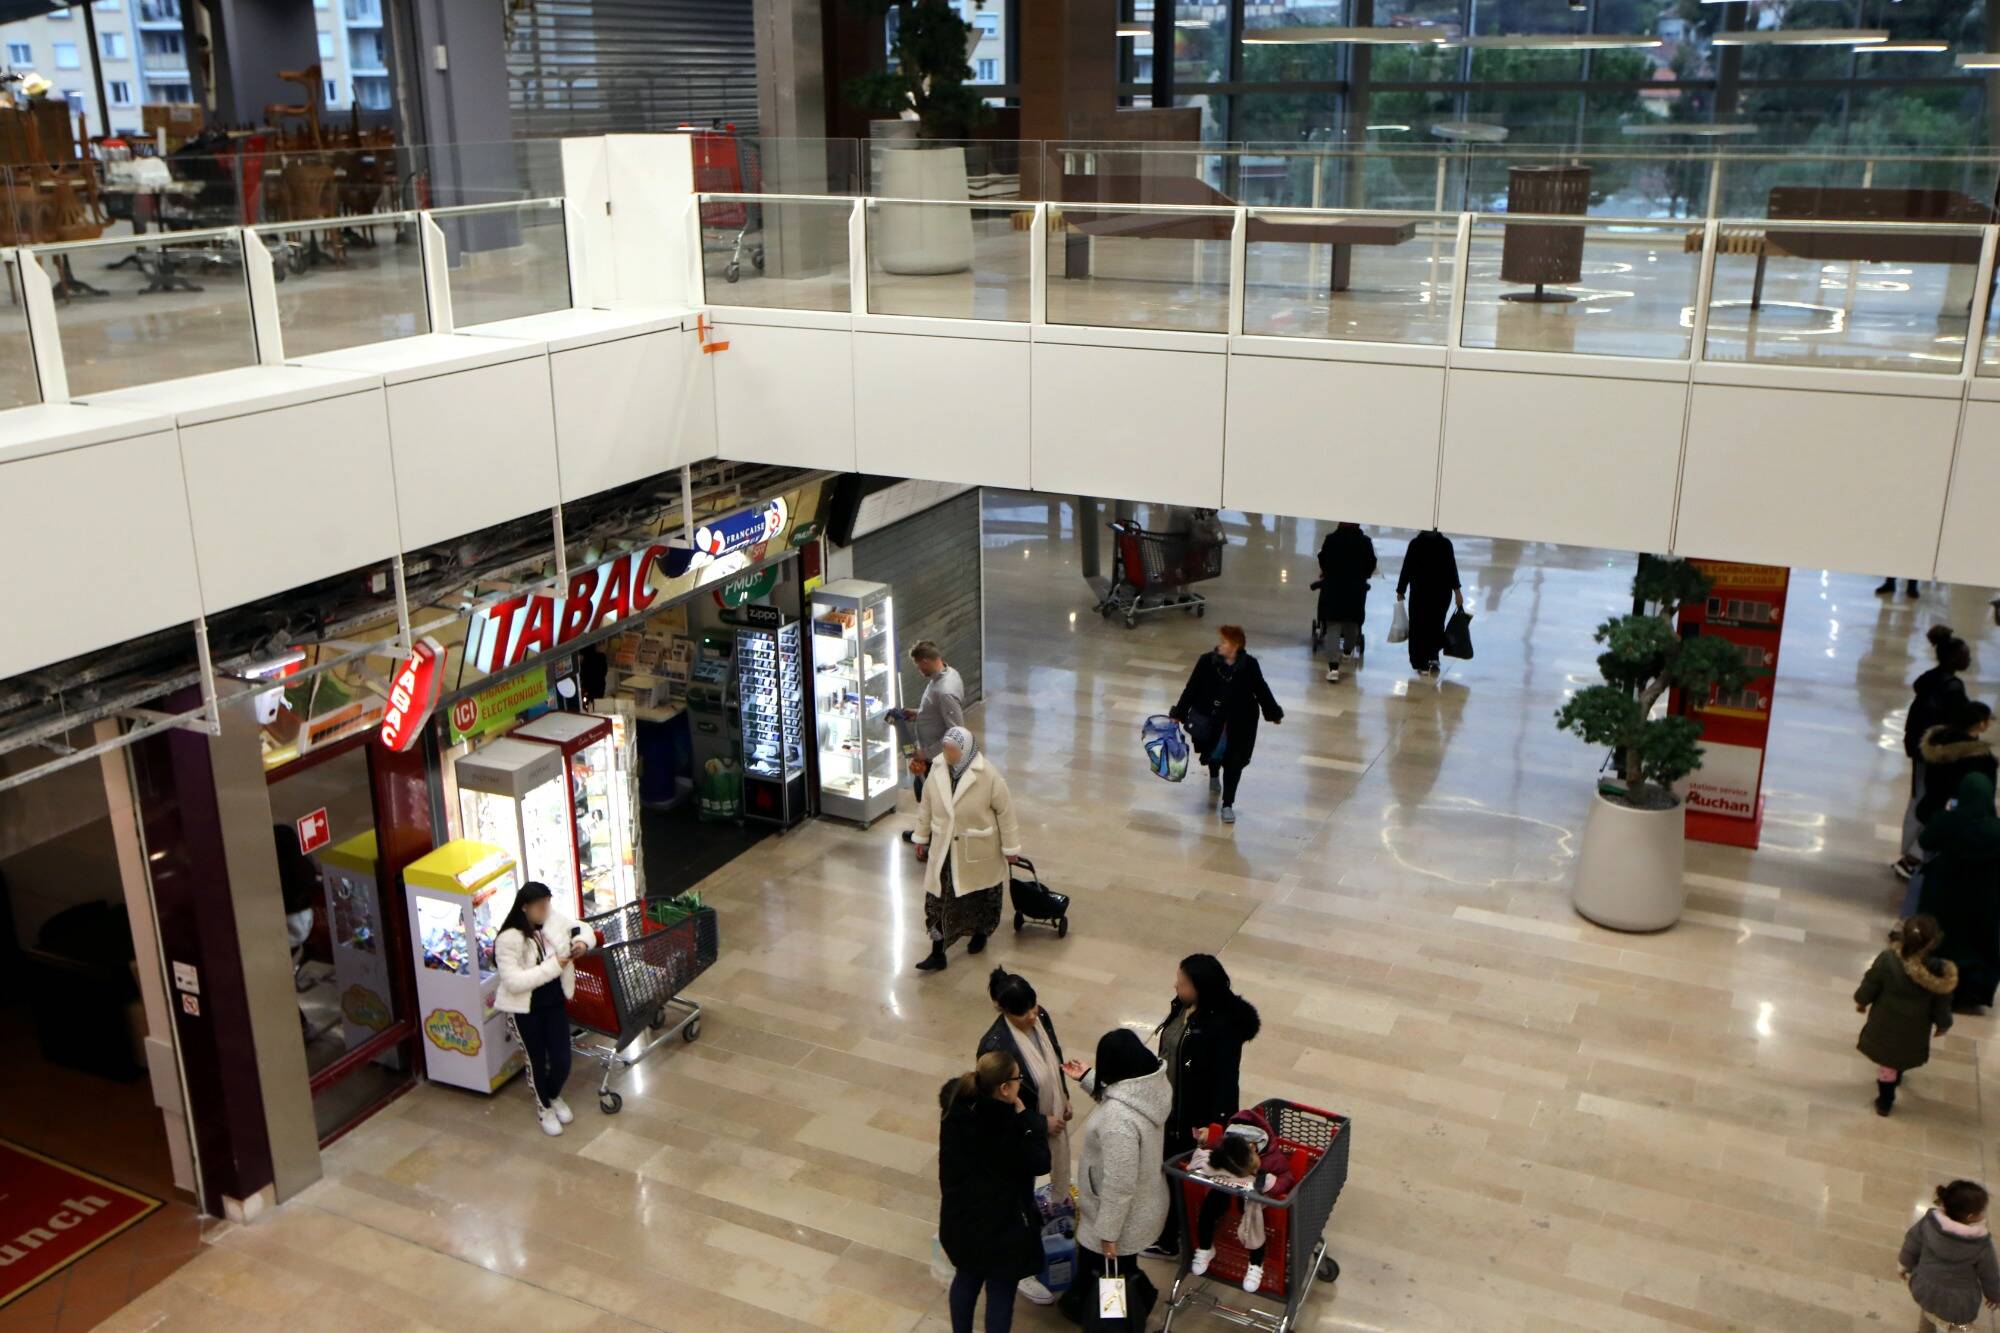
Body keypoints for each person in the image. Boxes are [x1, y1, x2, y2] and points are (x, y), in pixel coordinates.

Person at [1144, 954, 1261, 1254]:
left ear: (1201, 987)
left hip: (1191, 1117)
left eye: (1182, 982)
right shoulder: (1184, 1007)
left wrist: (1216, 1124)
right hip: (1171, 1107)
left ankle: (1170, 1238)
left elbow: (1225, 1080)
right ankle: (1170, 1231)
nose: (1176, 986)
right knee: (1166, 1170)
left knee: (1174, 1173)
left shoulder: (1221, 1028)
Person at [938, 1050, 1050, 1333]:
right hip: (1004, 1225)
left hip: (961, 1218)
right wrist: (1026, 1117)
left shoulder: (955, 1111)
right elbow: (1040, 1161)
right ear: (1004, 1087)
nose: (1020, 1083)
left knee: (966, 1278)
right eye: (1017, 1078)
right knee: (1001, 1291)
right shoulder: (1008, 1128)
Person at [1067, 1030, 1171, 1325]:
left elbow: (1119, 1184)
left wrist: (1108, 1233)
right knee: (1120, 1268)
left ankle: (1112, 1321)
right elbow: (1127, 1096)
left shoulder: (1117, 1121)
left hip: (1118, 1216)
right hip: (1147, 1201)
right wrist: (1089, 1078)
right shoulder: (1154, 1087)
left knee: (1107, 1275)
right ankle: (1124, 1305)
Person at [912, 727, 1023, 973]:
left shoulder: (988, 775)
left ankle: (979, 933)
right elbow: (927, 805)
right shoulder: (938, 770)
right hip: (944, 850)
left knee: (979, 897)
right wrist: (921, 837)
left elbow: (1006, 813)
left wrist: (1010, 848)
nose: (946, 752)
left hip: (977, 851)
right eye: (945, 747)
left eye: (951, 748)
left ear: (964, 750)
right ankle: (937, 950)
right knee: (936, 902)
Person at [493, 881, 591, 1136]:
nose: (545, 910)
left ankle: (553, 1094)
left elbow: (582, 927)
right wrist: (554, 966)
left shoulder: (552, 920)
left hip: (554, 1004)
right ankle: (544, 1107)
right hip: (525, 1011)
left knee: (562, 1060)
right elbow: (513, 982)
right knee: (535, 1061)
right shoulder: (508, 939)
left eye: (547, 904)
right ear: (524, 907)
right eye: (539, 906)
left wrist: (581, 942)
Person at [1169, 625, 1284, 826]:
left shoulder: (1249, 665)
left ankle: (1228, 804)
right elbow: (1192, 688)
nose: (1219, 645)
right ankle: (1214, 774)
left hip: (1240, 723)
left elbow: (1261, 689)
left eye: (1224, 642)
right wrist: (1178, 713)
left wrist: (1273, 713)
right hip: (1210, 719)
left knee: (1234, 762)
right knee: (1213, 752)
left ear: (1235, 646)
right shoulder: (1206, 661)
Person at [978, 968, 1073, 1196]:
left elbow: (1054, 1058)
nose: (1031, 1016)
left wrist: (1064, 1095)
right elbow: (999, 1108)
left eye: (1033, 1006)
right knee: (1021, 1182)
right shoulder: (994, 1047)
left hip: (1046, 1114)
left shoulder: (1041, 1017)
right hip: (1020, 1133)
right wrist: (1041, 1123)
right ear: (1003, 1010)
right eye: (1022, 1014)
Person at [1856, 915, 1957, 1117]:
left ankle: (1885, 1100)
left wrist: (1862, 1000)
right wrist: (1943, 1024)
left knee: (1887, 1063)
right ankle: (1898, 1073)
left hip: (1885, 1023)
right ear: (1933, 941)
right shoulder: (1938, 972)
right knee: (1900, 1057)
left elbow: (1871, 982)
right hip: (1914, 1030)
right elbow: (1942, 1004)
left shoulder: (1887, 959)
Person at [1917, 774, 2000, 1010]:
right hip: (1984, 898)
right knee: (1977, 941)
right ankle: (1970, 992)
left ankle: (1933, 982)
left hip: (1944, 891)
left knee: (1943, 937)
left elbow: (1926, 841)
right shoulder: (1996, 830)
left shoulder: (1948, 821)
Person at [1897, 626, 1973, 880]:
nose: (1969, 659)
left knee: (1918, 798)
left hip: (1920, 750)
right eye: (1965, 654)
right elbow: (1958, 724)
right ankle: (1913, 858)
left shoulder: (1929, 680)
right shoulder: (1953, 689)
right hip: (1938, 755)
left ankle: (1907, 852)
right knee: (1935, 802)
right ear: (1952, 658)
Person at [1187, 1126, 1293, 1295]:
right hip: (1228, 1193)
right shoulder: (1225, 1150)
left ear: (1252, 1148)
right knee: (1208, 1208)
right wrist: (1203, 1143)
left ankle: (1256, 1262)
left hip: (1255, 1203)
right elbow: (1200, 1160)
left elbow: (1286, 1177)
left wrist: (1271, 1187)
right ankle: (1206, 1247)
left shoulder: (1272, 1159)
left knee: (1254, 1218)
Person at [1900, 1180, 2000, 1331]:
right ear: (1971, 1216)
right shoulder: (1980, 1244)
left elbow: (1912, 1242)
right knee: (1958, 1325)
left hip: (1925, 1287)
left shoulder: (1929, 1223)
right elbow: (1989, 1274)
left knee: (1928, 1313)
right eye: (1982, 1210)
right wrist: (1994, 1295)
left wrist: (1904, 1264)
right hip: (1959, 1301)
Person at [898, 639, 966, 831]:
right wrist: (917, 714)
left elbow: (956, 732)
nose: (919, 670)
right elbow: (937, 713)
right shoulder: (948, 674)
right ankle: (925, 831)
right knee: (926, 796)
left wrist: (926, 753)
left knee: (931, 797)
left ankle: (932, 837)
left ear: (926, 661)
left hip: (937, 758)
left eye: (918, 665)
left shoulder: (945, 691)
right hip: (930, 754)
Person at [1397, 528, 1464, 677]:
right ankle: (1430, 656)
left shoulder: (1416, 544)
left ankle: (1423, 659)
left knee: (1420, 626)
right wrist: (1457, 591)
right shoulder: (1444, 544)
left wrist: (1401, 590)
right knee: (1435, 624)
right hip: (1440, 593)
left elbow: (1407, 568)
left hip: (1421, 592)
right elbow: (1452, 569)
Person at [1314, 522, 1376, 684]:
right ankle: (1348, 651)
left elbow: (1323, 560)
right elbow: (1371, 564)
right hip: (1355, 590)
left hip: (1333, 589)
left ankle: (1333, 669)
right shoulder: (1365, 542)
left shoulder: (1331, 540)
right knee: (1352, 624)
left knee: (1333, 627)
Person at [1918, 701, 1997, 827]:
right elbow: (1983, 795)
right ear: (1982, 724)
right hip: (1962, 822)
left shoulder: (1937, 743)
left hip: (1931, 810)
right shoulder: (1980, 759)